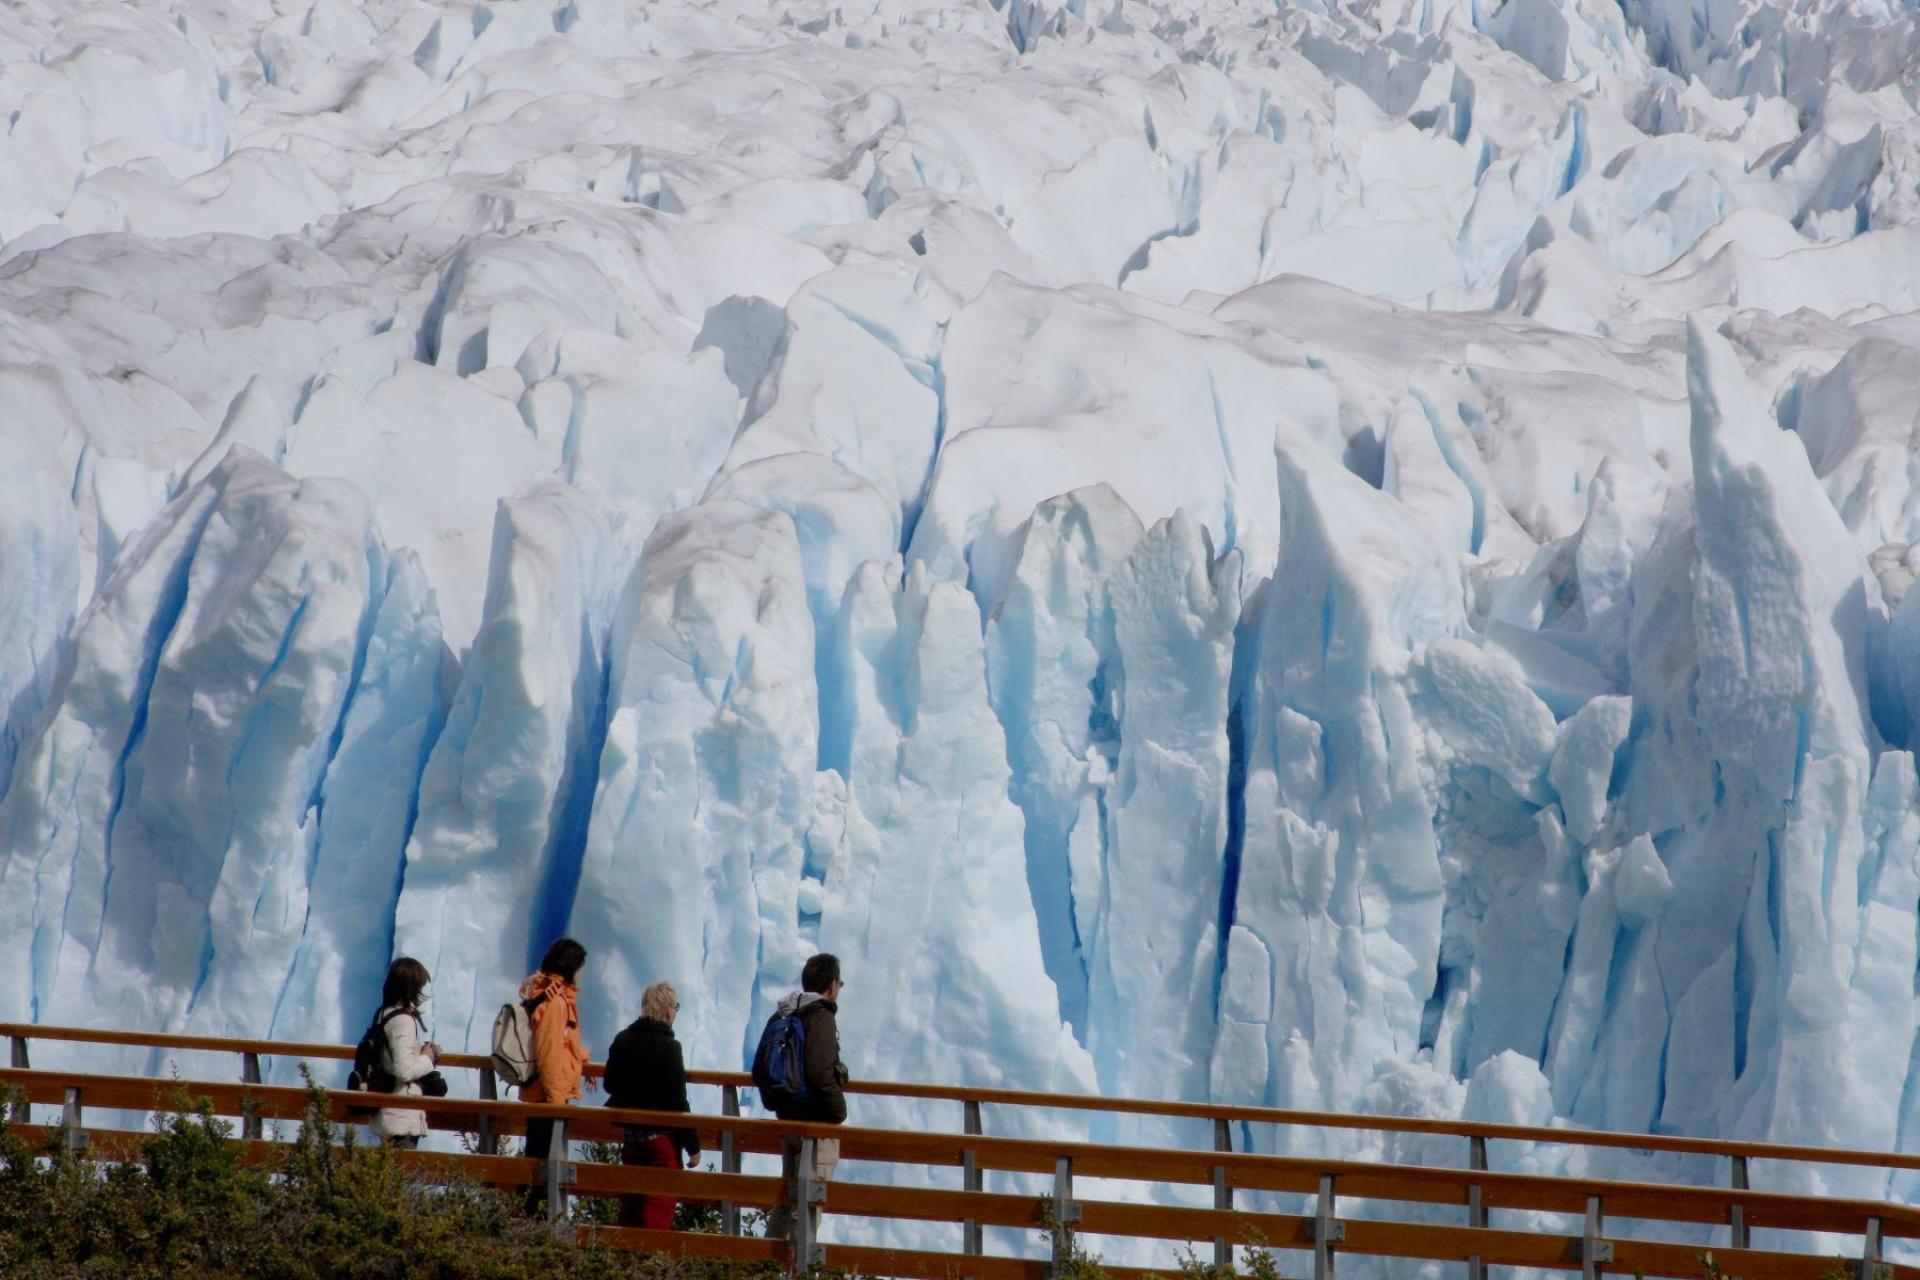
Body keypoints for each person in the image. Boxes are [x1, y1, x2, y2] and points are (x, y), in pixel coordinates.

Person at [603, 980, 700, 1229]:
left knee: (631, 1206)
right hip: (661, 1142)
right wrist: (692, 1144)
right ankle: (651, 1260)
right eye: (676, 1007)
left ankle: (624, 1260)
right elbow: (678, 1100)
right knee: (659, 1205)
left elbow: (610, 1084)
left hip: (632, 1137)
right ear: (668, 1009)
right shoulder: (670, 1047)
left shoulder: (623, 1039)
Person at [765, 953, 847, 1243]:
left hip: (788, 1120)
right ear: (832, 985)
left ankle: (764, 1268)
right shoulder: (821, 1016)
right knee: (809, 1203)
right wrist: (838, 1113)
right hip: (816, 1124)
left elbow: (759, 1068)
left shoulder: (785, 1012)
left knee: (787, 1199)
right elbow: (818, 1072)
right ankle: (798, 1269)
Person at [519, 937, 593, 1215]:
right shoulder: (556, 1002)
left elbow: (562, 1043)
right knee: (544, 1163)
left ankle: (532, 1217)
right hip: (548, 1097)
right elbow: (548, 1048)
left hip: (545, 1094)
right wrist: (555, 1100)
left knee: (539, 1160)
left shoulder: (553, 996)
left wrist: (581, 1060)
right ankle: (536, 1222)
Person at [370, 956, 441, 1150]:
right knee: (400, 1174)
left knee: (387, 1174)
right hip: (400, 1114)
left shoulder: (383, 1013)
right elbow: (404, 1070)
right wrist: (428, 1057)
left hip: (388, 1112)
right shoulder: (403, 1021)